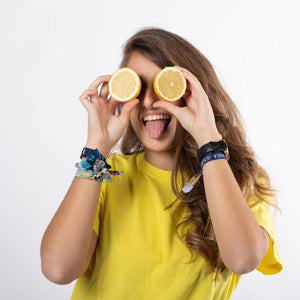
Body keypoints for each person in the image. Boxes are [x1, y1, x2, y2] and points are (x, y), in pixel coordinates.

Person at [40, 28, 282, 299]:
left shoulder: (240, 179)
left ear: (195, 93)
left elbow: (242, 260)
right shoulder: (106, 175)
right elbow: (58, 269)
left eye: (163, 86)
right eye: (137, 88)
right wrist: (97, 148)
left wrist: (208, 139)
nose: (149, 101)